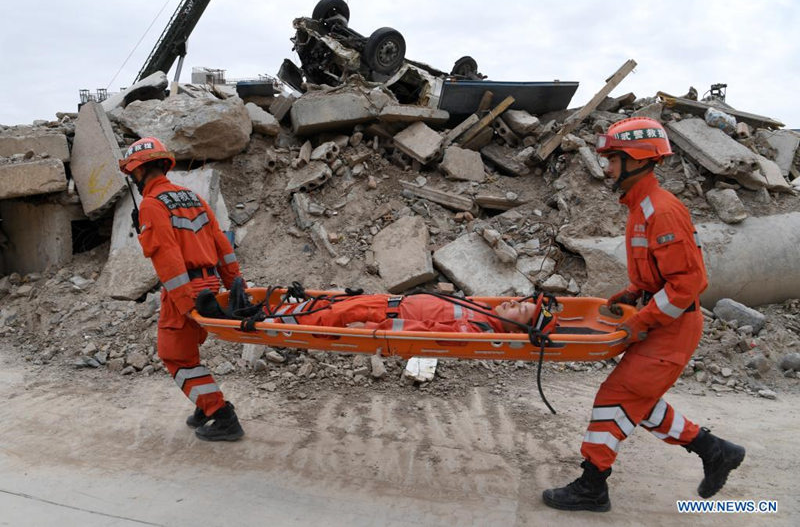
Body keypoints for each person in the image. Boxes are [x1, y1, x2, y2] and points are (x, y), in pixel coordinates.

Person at [542, 118, 745, 512]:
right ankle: (714, 450)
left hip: (673, 326)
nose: (607, 167)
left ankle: (592, 485)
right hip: (663, 319)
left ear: (637, 158)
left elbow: (687, 285)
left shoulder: (662, 211)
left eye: (614, 159)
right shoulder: (640, 206)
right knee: (637, 398)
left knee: (616, 396)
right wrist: (635, 292)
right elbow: (662, 273)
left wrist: (642, 320)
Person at [118, 137, 245, 442]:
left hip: (185, 289)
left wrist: (187, 303)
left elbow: (168, 258)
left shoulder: (151, 205)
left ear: (139, 171)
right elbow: (222, 244)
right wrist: (236, 285)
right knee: (187, 352)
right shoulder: (192, 197)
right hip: (210, 285)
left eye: (132, 173)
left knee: (174, 356)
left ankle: (220, 413)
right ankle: (204, 403)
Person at [253, 292, 550, 334]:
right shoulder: (484, 310)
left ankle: (268, 319)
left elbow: (427, 332)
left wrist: (375, 327)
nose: (513, 302)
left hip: (387, 313)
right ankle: (270, 309)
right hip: (388, 301)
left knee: (330, 315)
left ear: (518, 329)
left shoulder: (480, 330)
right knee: (330, 303)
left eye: (521, 309)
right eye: (519, 300)